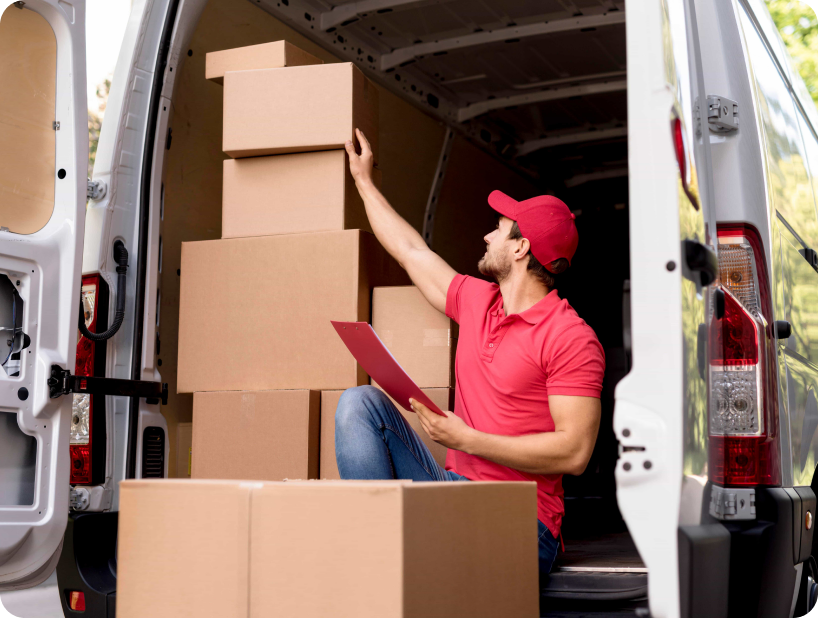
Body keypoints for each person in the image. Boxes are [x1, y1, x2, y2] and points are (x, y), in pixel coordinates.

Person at [335, 128, 605, 578]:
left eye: (497, 231)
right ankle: (379, 564)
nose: (485, 236)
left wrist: (466, 440)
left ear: (520, 248)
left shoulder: (571, 337)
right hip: (454, 491)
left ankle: (392, 568)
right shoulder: (478, 301)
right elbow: (410, 250)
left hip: (522, 520)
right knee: (359, 403)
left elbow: (574, 452)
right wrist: (363, 182)